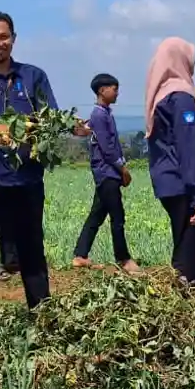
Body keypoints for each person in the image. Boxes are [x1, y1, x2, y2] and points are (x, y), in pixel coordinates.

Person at [0, 12, 85, 353]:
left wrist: (72, 127)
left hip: (26, 180)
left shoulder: (34, 77)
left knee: (32, 254)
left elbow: (49, 118)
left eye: (3, 36)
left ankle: (43, 325)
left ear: (13, 37)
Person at [145, 37, 195, 285]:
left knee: (182, 238)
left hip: (166, 181)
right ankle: (183, 295)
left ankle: (182, 291)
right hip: (182, 182)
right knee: (190, 247)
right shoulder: (181, 97)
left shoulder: (159, 96)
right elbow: (187, 148)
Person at [74, 73, 138, 273]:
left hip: (107, 172)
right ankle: (124, 259)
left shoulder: (103, 113)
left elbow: (87, 132)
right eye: (114, 88)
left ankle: (80, 255)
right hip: (107, 172)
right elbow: (108, 147)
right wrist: (123, 169)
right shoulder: (99, 115)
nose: (117, 92)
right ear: (102, 91)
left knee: (97, 215)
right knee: (117, 216)